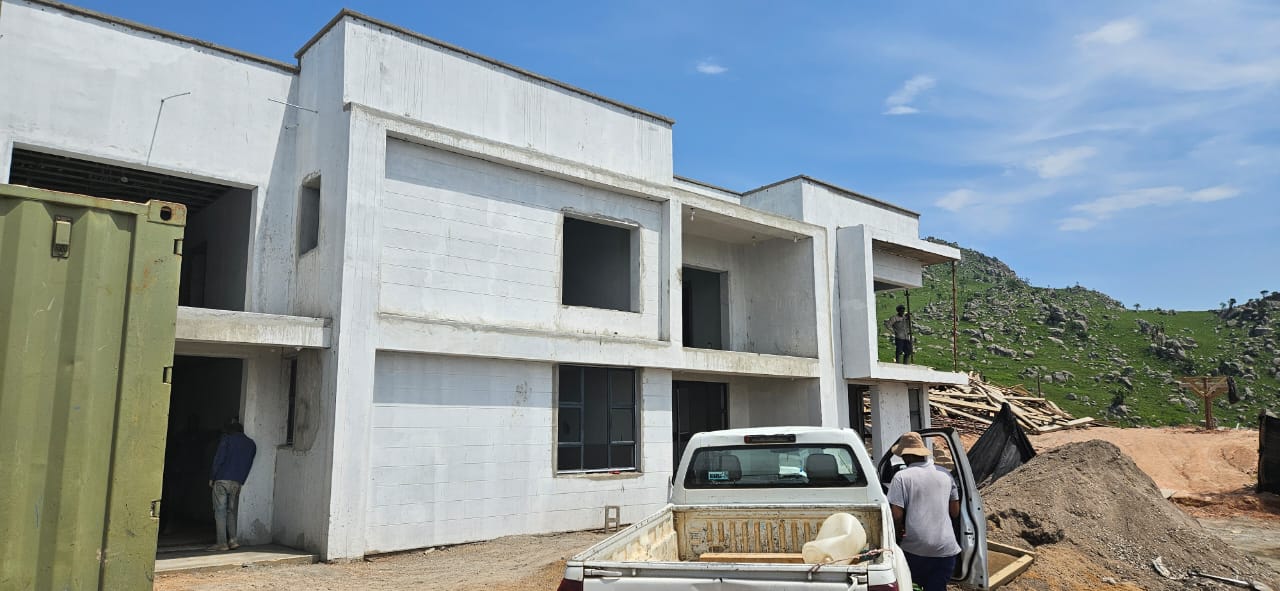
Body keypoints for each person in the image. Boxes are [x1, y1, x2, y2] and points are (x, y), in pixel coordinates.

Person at [887, 432, 960, 591]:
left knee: (910, 586)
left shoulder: (901, 477)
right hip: (946, 550)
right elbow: (955, 511)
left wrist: (898, 533)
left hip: (916, 549)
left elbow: (896, 515)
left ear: (907, 456)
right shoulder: (945, 474)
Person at [207, 420, 256, 552]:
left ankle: (222, 543)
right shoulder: (251, 444)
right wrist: (241, 481)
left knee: (220, 512)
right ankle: (233, 540)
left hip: (222, 479)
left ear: (230, 431)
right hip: (236, 482)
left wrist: (212, 476)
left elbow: (219, 459)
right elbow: (248, 465)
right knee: (230, 511)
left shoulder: (227, 439)